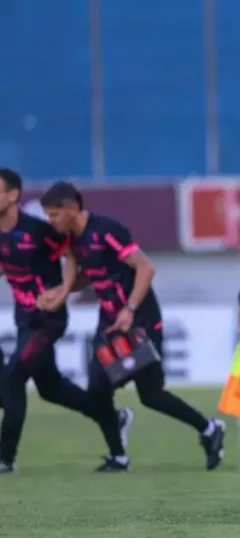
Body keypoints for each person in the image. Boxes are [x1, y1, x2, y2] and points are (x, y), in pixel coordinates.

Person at [39, 181, 226, 472]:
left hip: (140, 321)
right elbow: (87, 273)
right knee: (97, 390)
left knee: (151, 395)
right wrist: (62, 291)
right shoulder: (72, 240)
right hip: (110, 323)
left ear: (72, 208)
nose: (50, 222)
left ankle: (209, 428)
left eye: (54, 215)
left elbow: (145, 267)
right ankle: (118, 456)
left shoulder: (107, 230)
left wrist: (130, 309)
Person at [0, 169, 132, 472]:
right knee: (50, 388)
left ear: (13, 196)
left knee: (11, 379)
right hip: (23, 319)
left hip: (48, 321)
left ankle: (5, 459)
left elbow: (77, 252)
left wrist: (63, 290)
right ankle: (113, 417)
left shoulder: (39, 231)